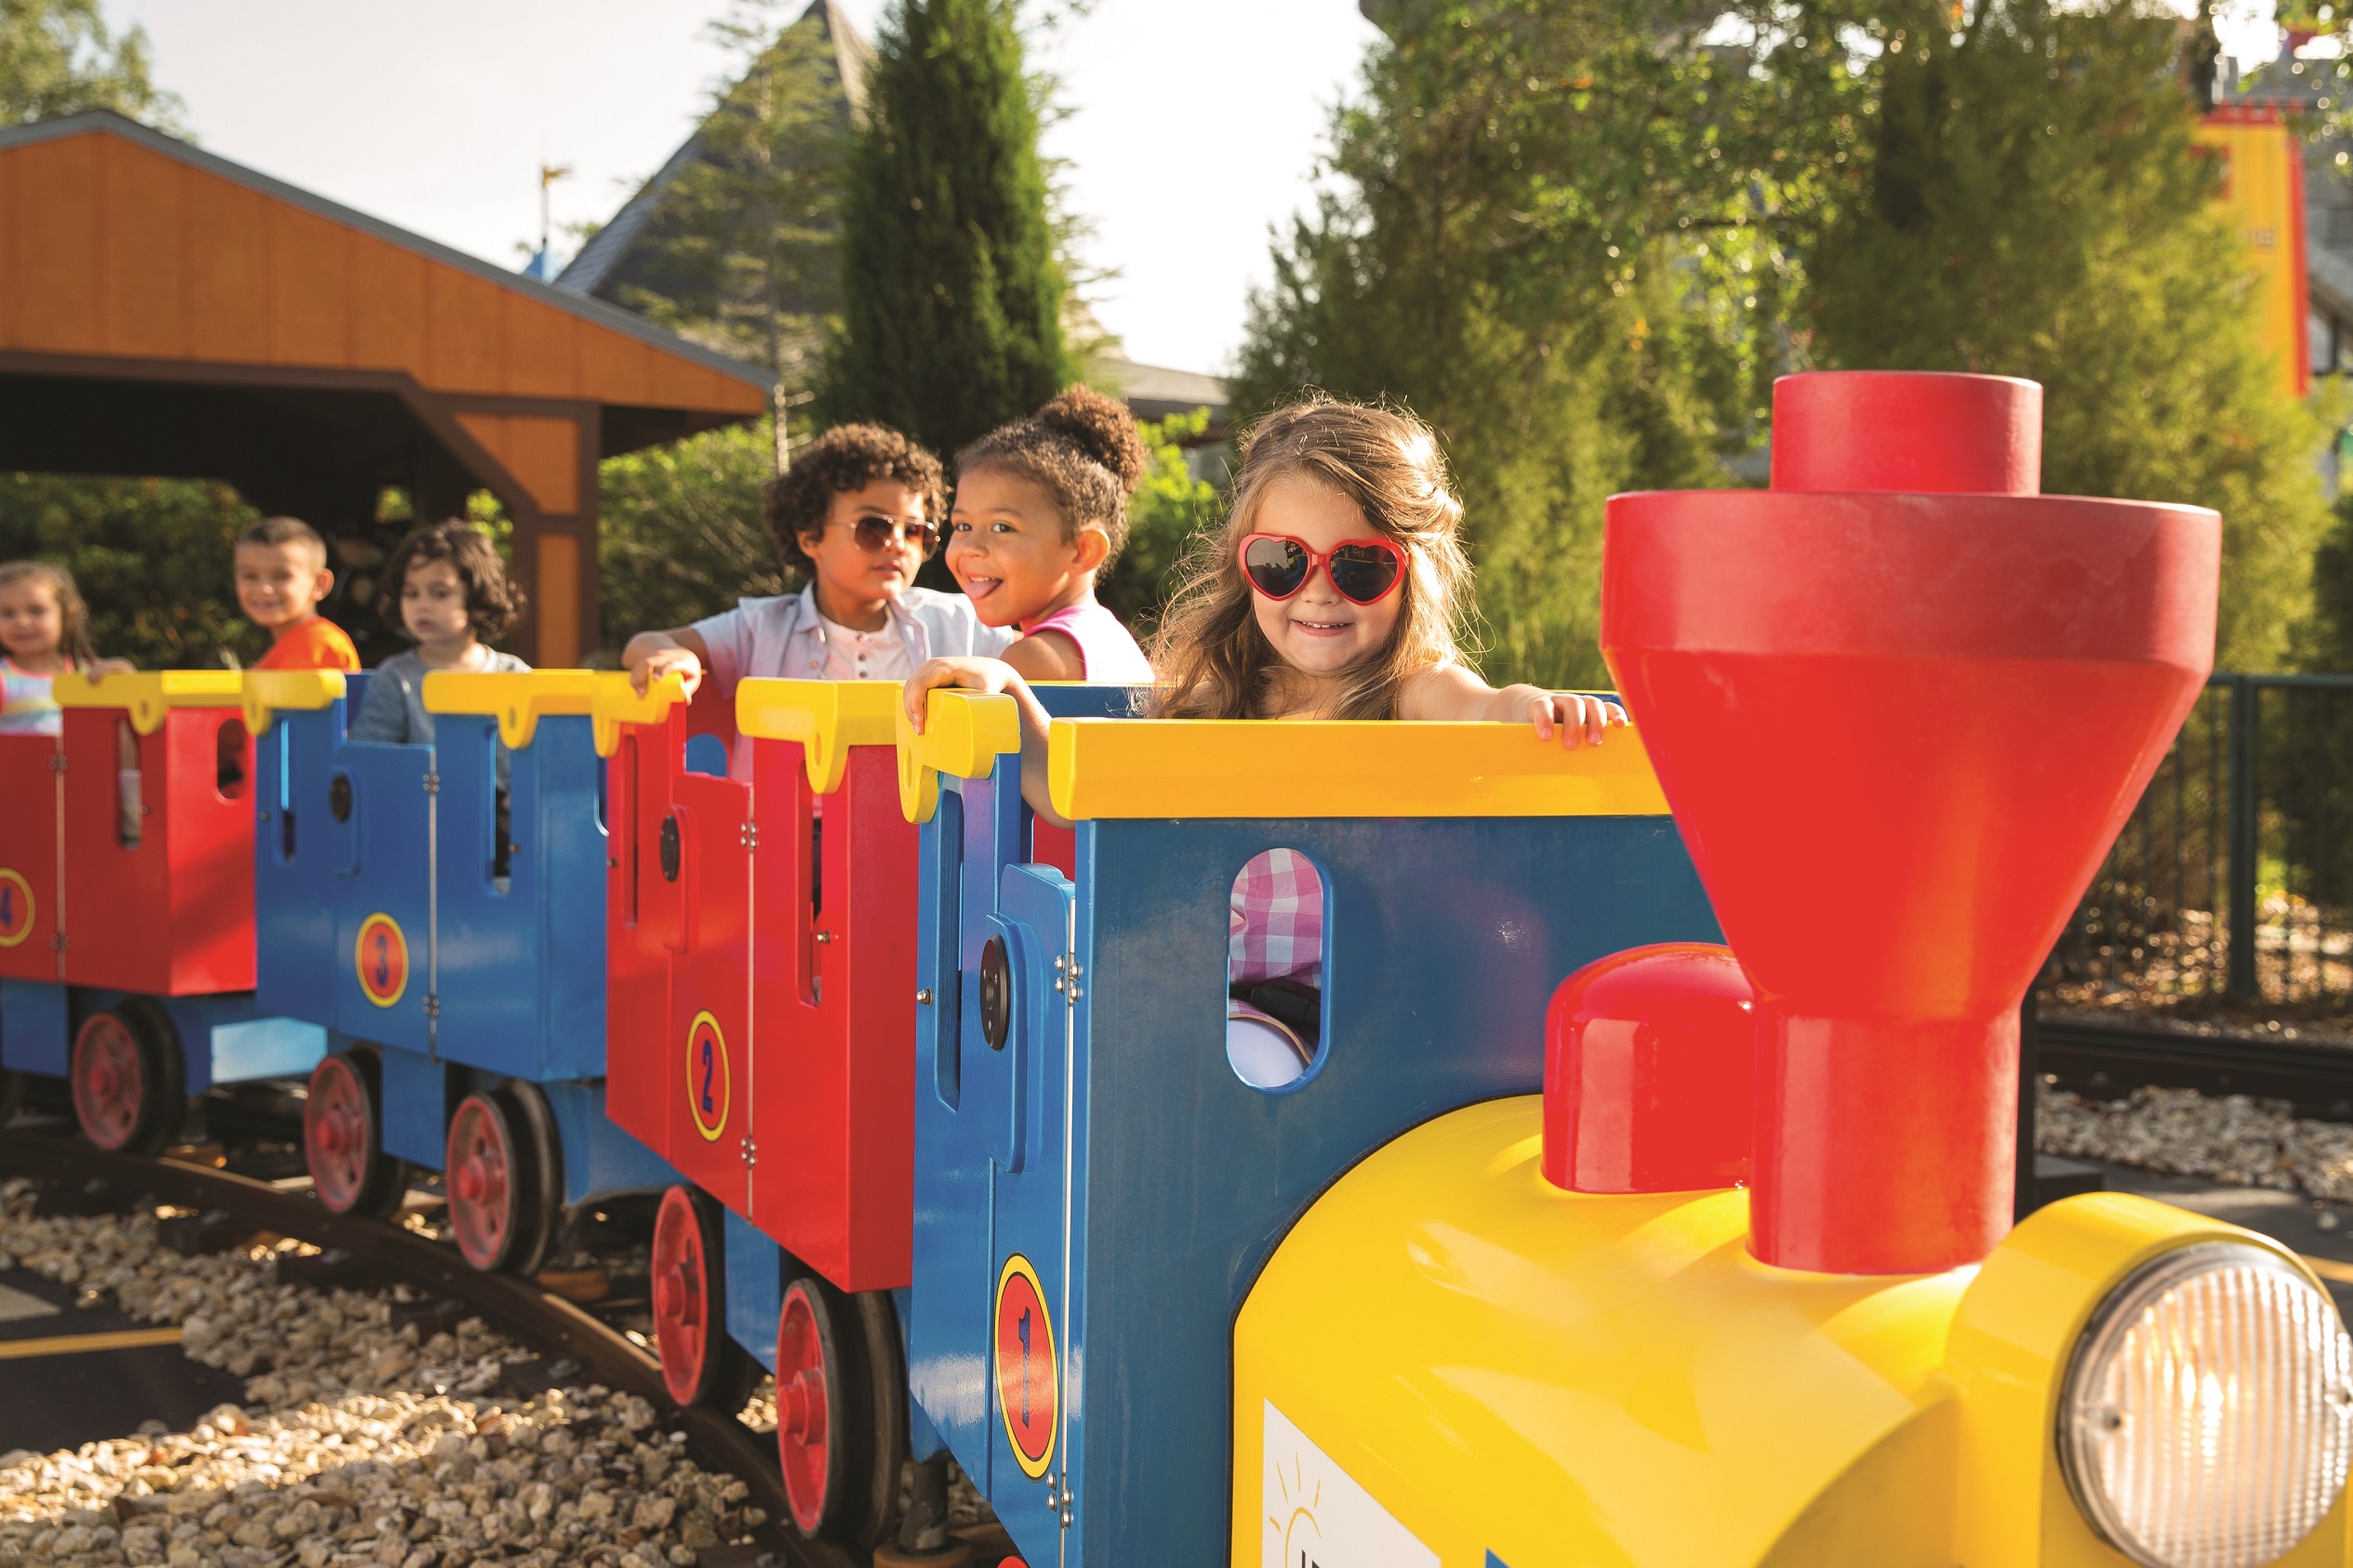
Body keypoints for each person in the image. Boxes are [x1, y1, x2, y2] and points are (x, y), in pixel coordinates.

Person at [902, 397, 1622, 1083]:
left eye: (1360, 567)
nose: (1318, 591)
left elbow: (1487, 708)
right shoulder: (1223, 698)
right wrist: (1009, 691)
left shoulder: (1409, 690)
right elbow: (1072, 787)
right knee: (1081, 1046)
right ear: (1244, 568)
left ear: (1411, 574)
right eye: (1283, 561)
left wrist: (1539, 709)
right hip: (1207, 987)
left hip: (1341, 1010)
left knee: (1226, 1061)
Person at [623, 422, 1010, 696]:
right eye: (873, 527)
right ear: (810, 536)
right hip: (787, 796)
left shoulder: (957, 622)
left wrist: (995, 668)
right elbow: (643, 643)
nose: (897, 545)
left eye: (914, 532)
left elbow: (1039, 651)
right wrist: (678, 658)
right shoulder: (759, 629)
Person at [944, 387, 1156, 684]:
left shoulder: (1031, 660)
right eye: (963, 526)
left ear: (1084, 551)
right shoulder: (1108, 638)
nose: (971, 547)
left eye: (1002, 527)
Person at [349, 521, 531, 745]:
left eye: (440, 593)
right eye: (412, 593)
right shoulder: (395, 678)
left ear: (480, 602)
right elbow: (370, 757)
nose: (422, 605)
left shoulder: (514, 675)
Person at [0, 561, 133, 736]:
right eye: (7, 613)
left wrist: (124, 686)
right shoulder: (3, 677)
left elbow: (123, 737)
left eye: (36, 610)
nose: (22, 622)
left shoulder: (92, 675)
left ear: (66, 615)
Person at [237, 517, 362, 671]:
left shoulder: (320, 647)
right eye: (250, 576)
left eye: (281, 576)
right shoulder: (286, 649)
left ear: (319, 584)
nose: (264, 589)